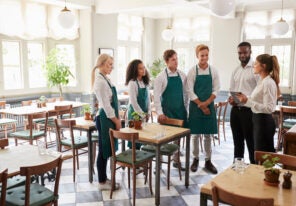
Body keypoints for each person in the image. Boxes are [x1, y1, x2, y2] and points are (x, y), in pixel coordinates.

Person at [237, 54, 279, 152]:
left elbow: (269, 108)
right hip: (258, 120)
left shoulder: (268, 83)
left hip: (264, 122)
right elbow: (255, 100)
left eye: (256, 64)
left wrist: (248, 101)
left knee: (263, 157)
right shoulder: (262, 81)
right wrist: (245, 98)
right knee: (259, 155)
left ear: (263, 66)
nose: (253, 66)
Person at [188, 44, 220, 174]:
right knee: (195, 135)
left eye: (206, 55)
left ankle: (208, 161)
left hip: (209, 105)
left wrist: (206, 103)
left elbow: (216, 89)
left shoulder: (213, 71)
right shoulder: (192, 71)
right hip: (195, 107)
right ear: (197, 56)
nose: (204, 58)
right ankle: (195, 159)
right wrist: (201, 105)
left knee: (208, 135)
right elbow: (189, 91)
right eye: (202, 55)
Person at [154, 49, 188, 170]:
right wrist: (160, 113)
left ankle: (176, 159)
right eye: (173, 59)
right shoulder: (160, 77)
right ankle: (159, 162)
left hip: (180, 111)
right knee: (163, 137)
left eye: (177, 59)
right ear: (166, 61)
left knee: (178, 138)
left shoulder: (182, 75)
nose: (176, 61)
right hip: (167, 112)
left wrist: (186, 109)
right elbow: (156, 97)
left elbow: (186, 94)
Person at [92, 54, 121, 190]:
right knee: (103, 150)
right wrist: (116, 121)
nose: (112, 67)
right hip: (105, 118)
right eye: (109, 64)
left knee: (108, 149)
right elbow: (107, 106)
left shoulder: (106, 79)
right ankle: (102, 182)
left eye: (112, 64)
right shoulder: (100, 82)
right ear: (102, 64)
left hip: (108, 118)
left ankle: (104, 178)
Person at [229, 42, 259, 164]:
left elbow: (258, 91)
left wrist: (245, 100)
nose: (242, 55)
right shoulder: (236, 70)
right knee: (237, 142)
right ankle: (237, 166)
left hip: (249, 111)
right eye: (240, 53)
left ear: (250, 52)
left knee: (251, 143)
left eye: (245, 52)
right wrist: (232, 100)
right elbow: (231, 90)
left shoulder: (255, 69)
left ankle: (253, 168)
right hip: (236, 111)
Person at [125, 59, 151, 149]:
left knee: (143, 139)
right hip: (134, 115)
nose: (143, 70)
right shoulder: (132, 83)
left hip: (144, 114)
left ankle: (142, 161)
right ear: (135, 70)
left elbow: (148, 100)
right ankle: (132, 161)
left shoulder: (145, 82)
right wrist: (143, 115)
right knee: (134, 142)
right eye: (140, 68)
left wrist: (149, 112)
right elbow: (134, 102)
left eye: (144, 67)